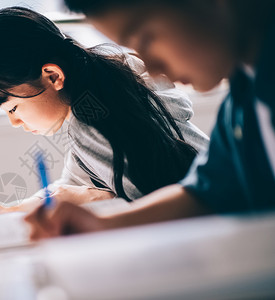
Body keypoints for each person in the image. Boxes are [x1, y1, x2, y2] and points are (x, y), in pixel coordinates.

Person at [25, 0, 275, 240]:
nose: (153, 69)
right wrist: (102, 225)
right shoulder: (244, 95)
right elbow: (206, 193)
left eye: (145, 40)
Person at [0, 6, 209, 218]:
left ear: (53, 76)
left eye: (13, 107)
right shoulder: (104, 82)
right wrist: (11, 210)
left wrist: (92, 198)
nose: (15, 122)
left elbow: (150, 209)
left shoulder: (90, 122)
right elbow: (72, 184)